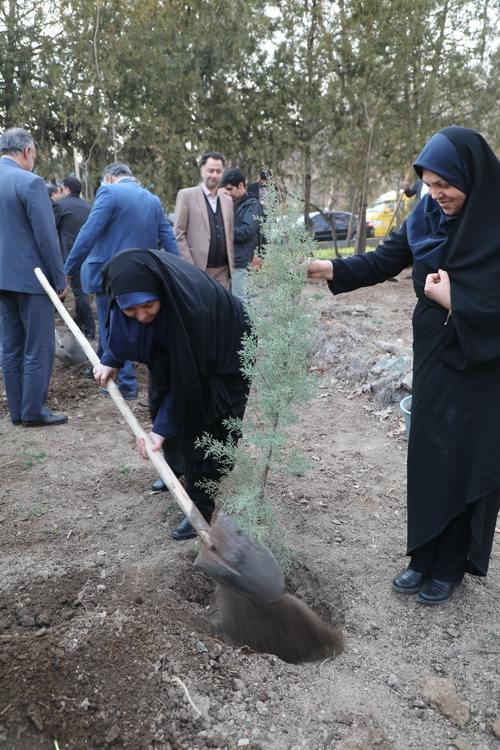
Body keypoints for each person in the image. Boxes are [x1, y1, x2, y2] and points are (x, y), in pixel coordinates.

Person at [308, 126, 500, 606]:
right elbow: (382, 261)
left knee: (464, 455)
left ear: (471, 177)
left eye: (445, 185)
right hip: (435, 349)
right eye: (429, 185)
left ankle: (450, 565)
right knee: (430, 450)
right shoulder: (426, 214)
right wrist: (324, 268)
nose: (436, 195)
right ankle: (422, 554)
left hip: (482, 358)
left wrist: (458, 300)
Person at [93, 248, 251, 540]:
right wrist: (110, 359)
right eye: (131, 310)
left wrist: (160, 431)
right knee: (159, 398)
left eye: (148, 306)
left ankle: (199, 508)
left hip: (219, 352)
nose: (141, 316)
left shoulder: (192, 312)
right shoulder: (129, 295)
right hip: (175, 344)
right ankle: (174, 467)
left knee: (205, 425)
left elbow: (185, 386)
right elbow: (121, 327)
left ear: (161, 292)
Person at [64, 162, 179, 400]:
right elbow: (169, 238)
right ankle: (99, 365)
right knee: (127, 323)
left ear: (108, 177)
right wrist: (176, 271)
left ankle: (125, 383)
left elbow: (89, 232)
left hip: (112, 275)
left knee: (113, 328)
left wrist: (68, 268)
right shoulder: (152, 199)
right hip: (145, 276)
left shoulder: (109, 191)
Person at [0, 127, 68, 427]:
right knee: (38, 346)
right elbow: (46, 236)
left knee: (11, 346)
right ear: (27, 151)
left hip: (2, 278)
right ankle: (33, 412)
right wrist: (59, 278)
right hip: (33, 279)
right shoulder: (30, 182)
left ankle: (18, 412)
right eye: (35, 155)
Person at [174, 152, 234, 289]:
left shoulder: (227, 200)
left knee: (221, 304)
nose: (214, 175)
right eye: (210, 170)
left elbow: (229, 234)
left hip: (223, 272)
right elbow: (178, 234)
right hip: (198, 270)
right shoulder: (186, 195)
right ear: (202, 171)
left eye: (218, 171)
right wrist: (190, 267)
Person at [55, 176, 95, 341]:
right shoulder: (89, 207)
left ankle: (90, 330)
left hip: (67, 257)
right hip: (87, 255)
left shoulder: (60, 205)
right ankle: (81, 325)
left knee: (64, 292)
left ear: (67, 189)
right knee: (80, 292)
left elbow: (52, 229)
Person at [221, 167, 263, 305]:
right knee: (227, 302)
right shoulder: (231, 204)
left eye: (230, 189)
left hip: (239, 261)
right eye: (226, 190)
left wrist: (222, 232)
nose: (228, 193)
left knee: (239, 302)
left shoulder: (252, 205)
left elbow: (247, 231)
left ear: (240, 185)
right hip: (226, 261)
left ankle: (245, 320)